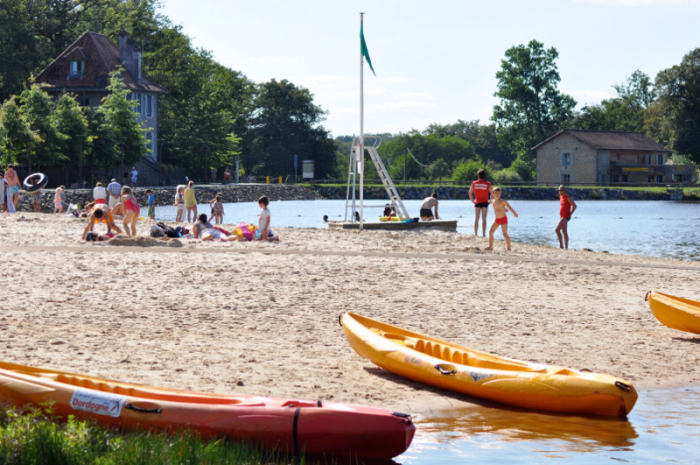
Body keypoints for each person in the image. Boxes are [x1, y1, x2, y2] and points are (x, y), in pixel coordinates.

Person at [485, 187, 518, 251]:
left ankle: (508, 248)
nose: (497, 194)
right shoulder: (492, 201)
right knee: (490, 231)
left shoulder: (503, 201)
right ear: (493, 194)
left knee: (504, 233)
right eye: (496, 193)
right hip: (497, 219)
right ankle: (490, 246)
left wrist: (514, 213)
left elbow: (510, 207)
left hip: (503, 219)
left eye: (499, 193)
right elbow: (489, 203)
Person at [469, 169, 491, 237]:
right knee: (484, 218)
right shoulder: (487, 183)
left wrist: (472, 200)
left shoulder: (474, 183)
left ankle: (476, 234)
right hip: (485, 202)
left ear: (478, 175)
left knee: (476, 218)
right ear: (484, 176)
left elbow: (470, 192)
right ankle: (484, 234)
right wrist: (490, 200)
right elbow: (492, 193)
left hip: (477, 202)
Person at [556, 185, 577, 249]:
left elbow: (574, 206)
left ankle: (561, 246)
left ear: (564, 191)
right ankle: (566, 247)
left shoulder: (568, 197)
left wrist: (570, 214)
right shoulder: (561, 197)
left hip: (565, 217)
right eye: (559, 190)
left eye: (561, 190)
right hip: (561, 216)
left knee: (557, 230)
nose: (560, 192)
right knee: (564, 232)